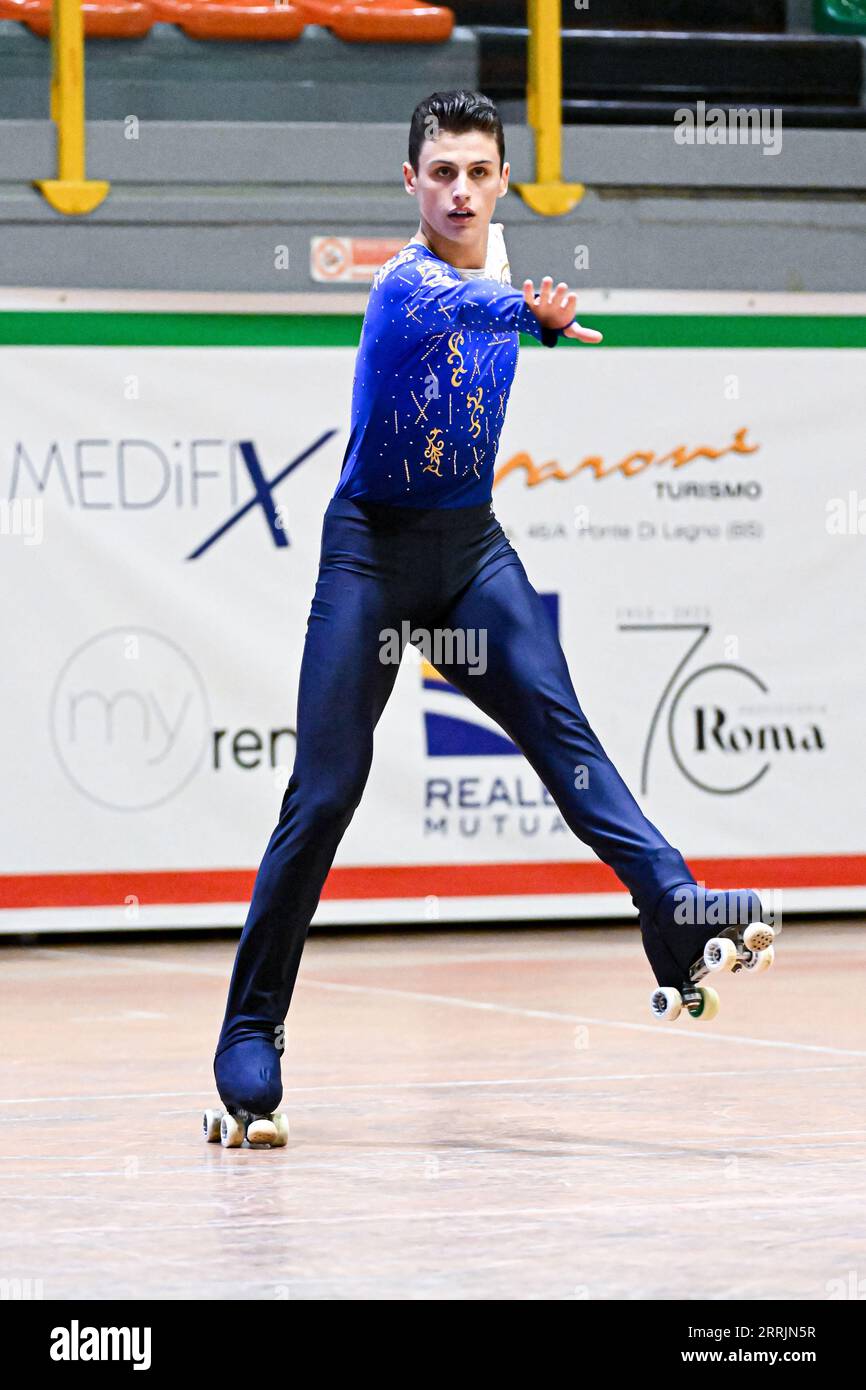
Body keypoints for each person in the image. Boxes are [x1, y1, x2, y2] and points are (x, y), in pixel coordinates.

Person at [210, 90, 768, 1137]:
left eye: (477, 171)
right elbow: (451, 309)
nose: (459, 190)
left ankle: (675, 910)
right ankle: (250, 1030)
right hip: (369, 556)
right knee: (325, 792)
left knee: (567, 741)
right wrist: (535, 317)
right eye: (441, 173)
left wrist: (533, 321)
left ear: (502, 178)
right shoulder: (402, 285)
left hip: (470, 552)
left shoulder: (497, 252)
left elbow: (489, 310)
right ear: (409, 184)